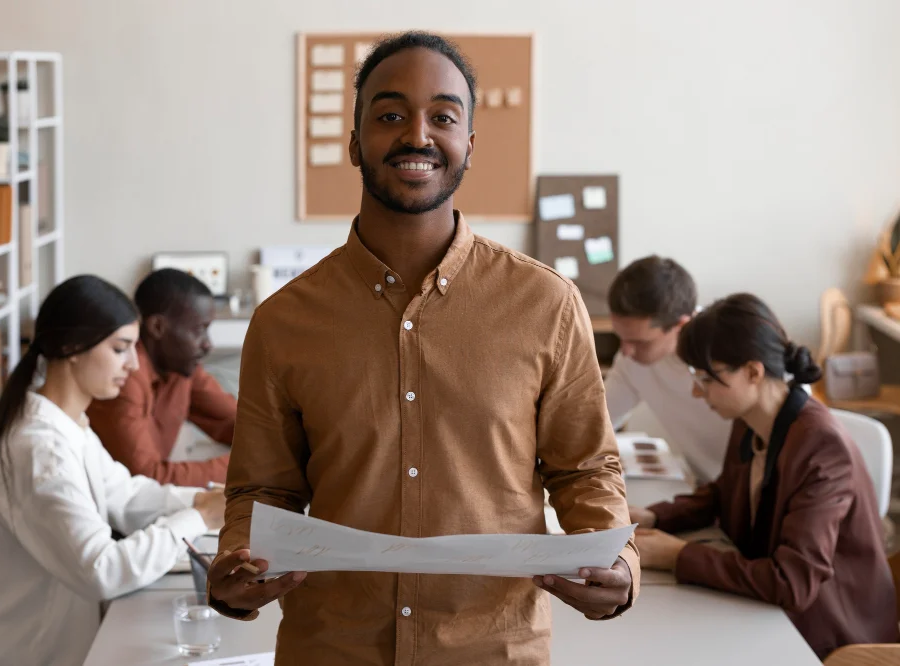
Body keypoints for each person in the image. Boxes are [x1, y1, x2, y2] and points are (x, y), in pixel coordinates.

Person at [206, 31, 638, 665]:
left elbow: (585, 469)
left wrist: (617, 563)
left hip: (494, 649)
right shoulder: (284, 321)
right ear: (355, 143)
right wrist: (237, 570)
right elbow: (262, 491)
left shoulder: (546, 304)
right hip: (331, 649)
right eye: (389, 116)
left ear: (468, 144)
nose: (417, 135)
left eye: (442, 116)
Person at [0, 275, 226, 666]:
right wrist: (198, 517)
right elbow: (103, 571)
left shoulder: (67, 424)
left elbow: (125, 494)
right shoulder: (39, 449)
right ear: (72, 348)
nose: (132, 364)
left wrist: (203, 501)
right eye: (120, 349)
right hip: (22, 653)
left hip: (55, 638)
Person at [631, 293, 899, 659]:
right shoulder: (751, 421)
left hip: (832, 638)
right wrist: (654, 516)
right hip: (770, 615)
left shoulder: (822, 447)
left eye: (706, 378)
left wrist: (678, 555)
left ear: (754, 372)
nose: (696, 391)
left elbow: (792, 582)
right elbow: (723, 494)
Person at [87, 268, 238, 487]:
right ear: (157, 327)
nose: (208, 344)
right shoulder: (125, 377)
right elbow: (148, 477)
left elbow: (238, 424)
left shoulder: (181, 367)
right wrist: (245, 467)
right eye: (199, 330)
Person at [605, 255, 731, 482]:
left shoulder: (732, 352)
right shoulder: (631, 360)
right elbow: (596, 422)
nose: (626, 351)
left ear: (681, 325)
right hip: (706, 493)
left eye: (640, 342)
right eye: (620, 338)